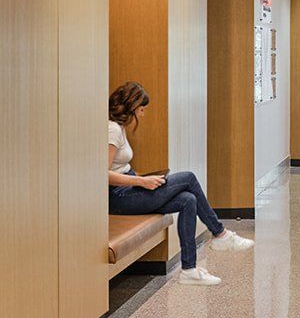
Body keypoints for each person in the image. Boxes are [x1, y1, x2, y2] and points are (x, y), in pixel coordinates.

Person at [107, 80, 253, 285]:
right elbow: (103, 174)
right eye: (141, 109)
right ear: (131, 106)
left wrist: (143, 179)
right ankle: (220, 233)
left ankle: (189, 269)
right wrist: (141, 181)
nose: (142, 114)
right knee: (189, 178)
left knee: (188, 199)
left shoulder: (119, 128)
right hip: (119, 197)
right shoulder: (112, 130)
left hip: (129, 189)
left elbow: (119, 167)